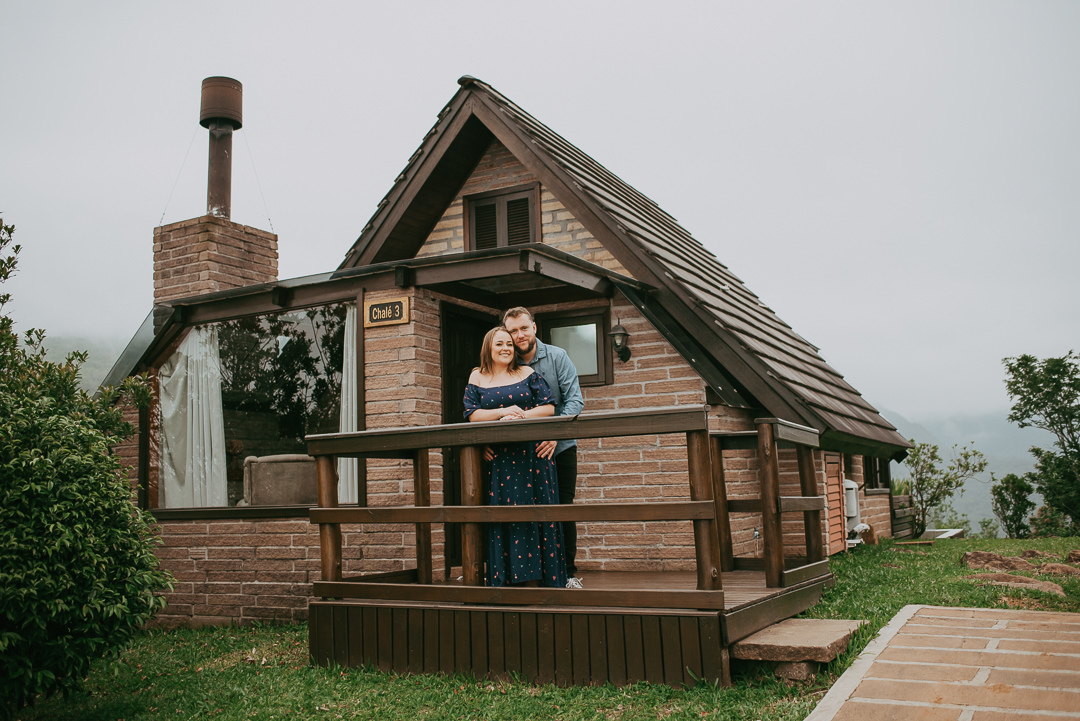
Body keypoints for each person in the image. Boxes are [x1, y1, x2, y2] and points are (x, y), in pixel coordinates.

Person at [463, 326, 567, 588]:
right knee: (505, 515)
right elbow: (472, 415)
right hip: (500, 460)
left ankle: (544, 581)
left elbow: (548, 407)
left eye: (509, 344)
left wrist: (520, 415)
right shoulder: (477, 376)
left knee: (536, 514)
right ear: (488, 347)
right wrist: (504, 412)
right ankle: (507, 579)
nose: (506, 348)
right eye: (499, 344)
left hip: (532, 456)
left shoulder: (527, 373)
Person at [501, 307, 584, 589]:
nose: (519, 335)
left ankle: (569, 573)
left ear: (534, 327)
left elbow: (575, 402)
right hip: (519, 454)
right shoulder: (504, 361)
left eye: (524, 328)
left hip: (558, 448)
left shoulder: (557, 357)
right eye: (513, 330)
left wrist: (555, 435)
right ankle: (533, 573)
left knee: (562, 508)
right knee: (524, 511)